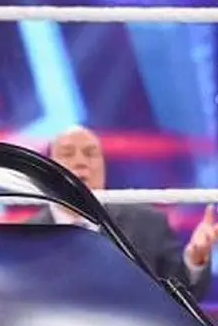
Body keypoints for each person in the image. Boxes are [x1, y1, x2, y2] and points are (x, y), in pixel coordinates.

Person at [37, 125, 215, 301]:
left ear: (104, 165)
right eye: (67, 154)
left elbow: (183, 298)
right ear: (47, 168)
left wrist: (194, 260)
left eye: (90, 154)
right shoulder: (27, 234)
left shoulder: (148, 224)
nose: (80, 162)